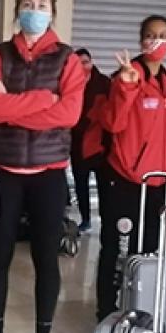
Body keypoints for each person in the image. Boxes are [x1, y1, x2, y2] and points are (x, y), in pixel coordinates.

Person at [0, 0, 85, 333]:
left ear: (52, 12)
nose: (34, 9)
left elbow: (69, 115)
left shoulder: (68, 60)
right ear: (17, 9)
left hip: (49, 175)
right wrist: (43, 100)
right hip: (3, 172)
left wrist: (12, 106)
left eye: (41, 3)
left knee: (46, 260)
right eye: (27, 2)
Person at [93, 15, 166, 320]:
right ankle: (108, 312)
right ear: (140, 40)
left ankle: (141, 307)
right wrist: (126, 88)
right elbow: (113, 123)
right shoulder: (125, 76)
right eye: (150, 35)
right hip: (126, 180)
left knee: (150, 251)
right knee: (119, 250)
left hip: (160, 183)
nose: (156, 41)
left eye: (162, 35)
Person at [71, 48, 110, 233]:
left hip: (100, 146)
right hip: (77, 145)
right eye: (78, 63)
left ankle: (106, 220)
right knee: (81, 185)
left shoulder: (103, 83)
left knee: (104, 187)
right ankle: (85, 220)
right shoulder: (70, 84)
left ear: (91, 62)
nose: (83, 66)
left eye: (85, 62)